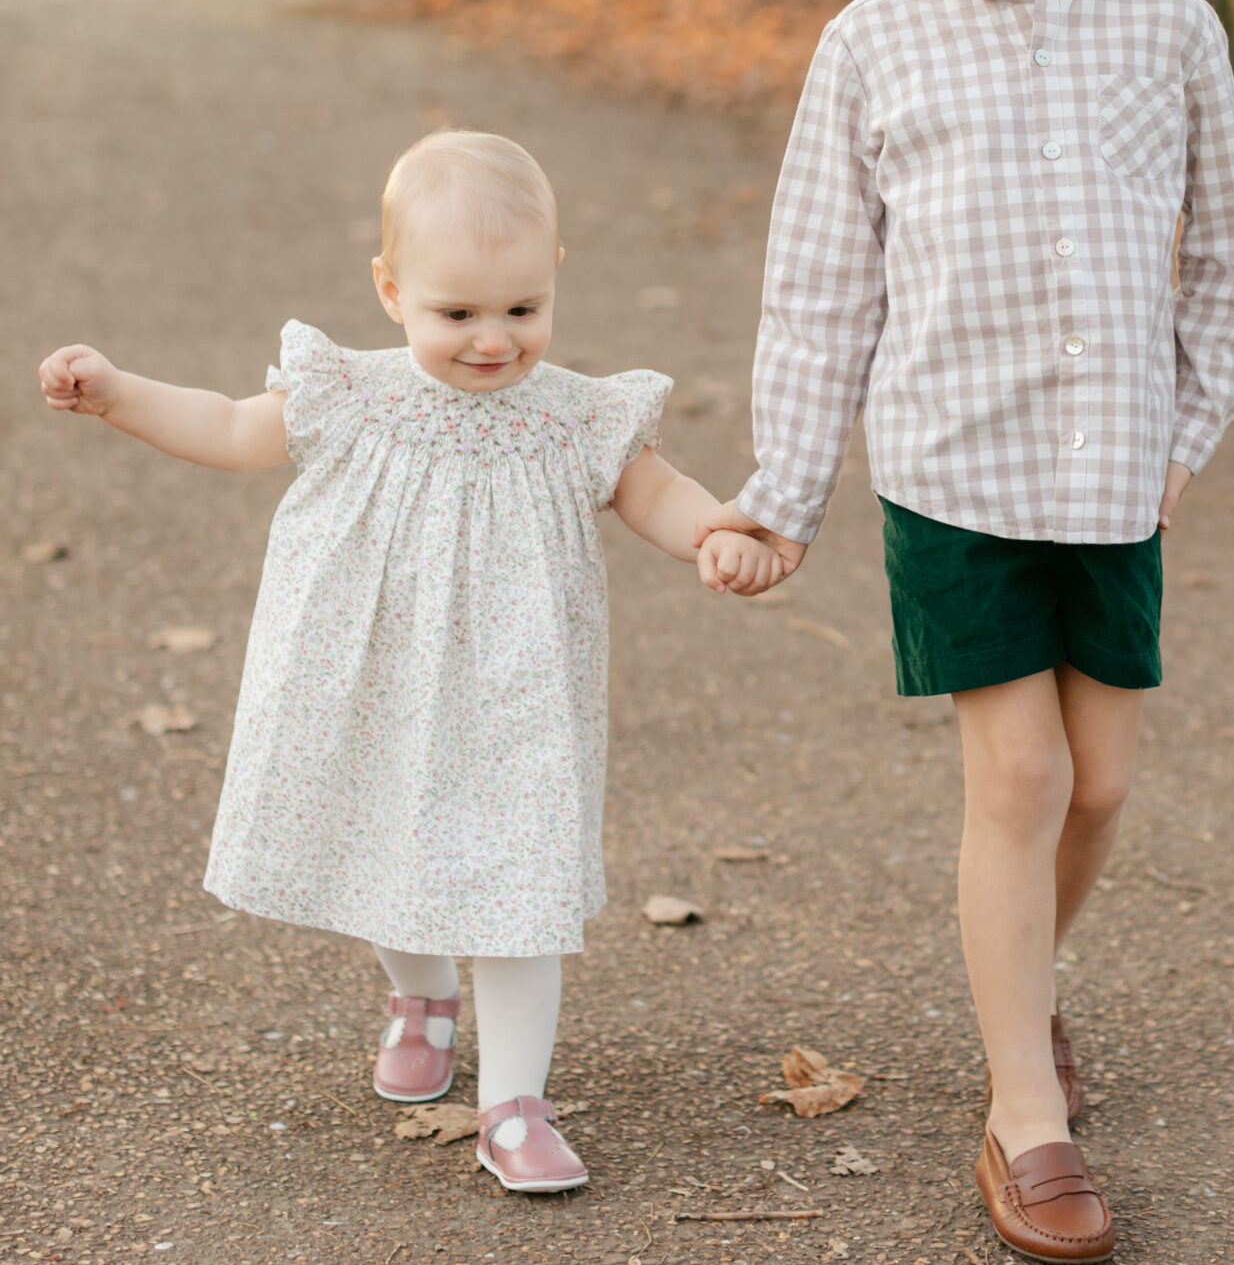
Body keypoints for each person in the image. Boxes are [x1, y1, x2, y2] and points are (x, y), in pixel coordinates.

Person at [699, 0, 1234, 1263]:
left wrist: (1185, 429)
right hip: (948, 476)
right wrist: (785, 490)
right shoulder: (870, 51)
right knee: (1014, 778)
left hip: (1109, 483)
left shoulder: (1165, 33)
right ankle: (1024, 1109)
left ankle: (1014, 993)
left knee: (1098, 785)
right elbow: (822, 290)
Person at [38, 129, 779, 1196]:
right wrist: (119, 393)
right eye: (458, 312)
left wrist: (719, 530)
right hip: (383, 684)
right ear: (392, 291)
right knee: (391, 847)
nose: (493, 339)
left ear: (553, 279)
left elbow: (651, 489)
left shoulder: (575, 414)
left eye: (521, 309)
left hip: (521, 697)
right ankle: (422, 993)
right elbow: (234, 425)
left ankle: (514, 1103)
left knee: (520, 883)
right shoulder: (353, 395)